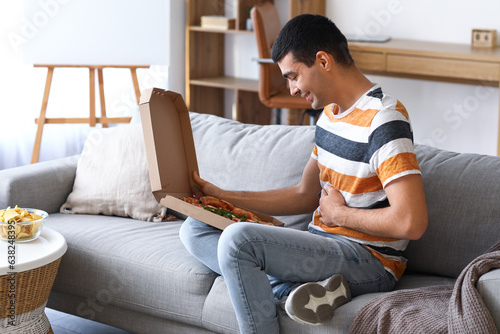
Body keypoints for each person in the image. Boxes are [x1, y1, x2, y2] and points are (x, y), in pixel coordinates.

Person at [179, 13, 428, 334]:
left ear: (323, 61)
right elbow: (304, 194)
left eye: (293, 76)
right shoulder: (327, 117)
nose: (292, 89)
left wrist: (339, 214)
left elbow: (412, 222)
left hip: (369, 260)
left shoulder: (383, 118)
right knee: (196, 227)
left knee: (238, 242)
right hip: (320, 247)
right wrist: (221, 196)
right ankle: (290, 291)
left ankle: (284, 293)